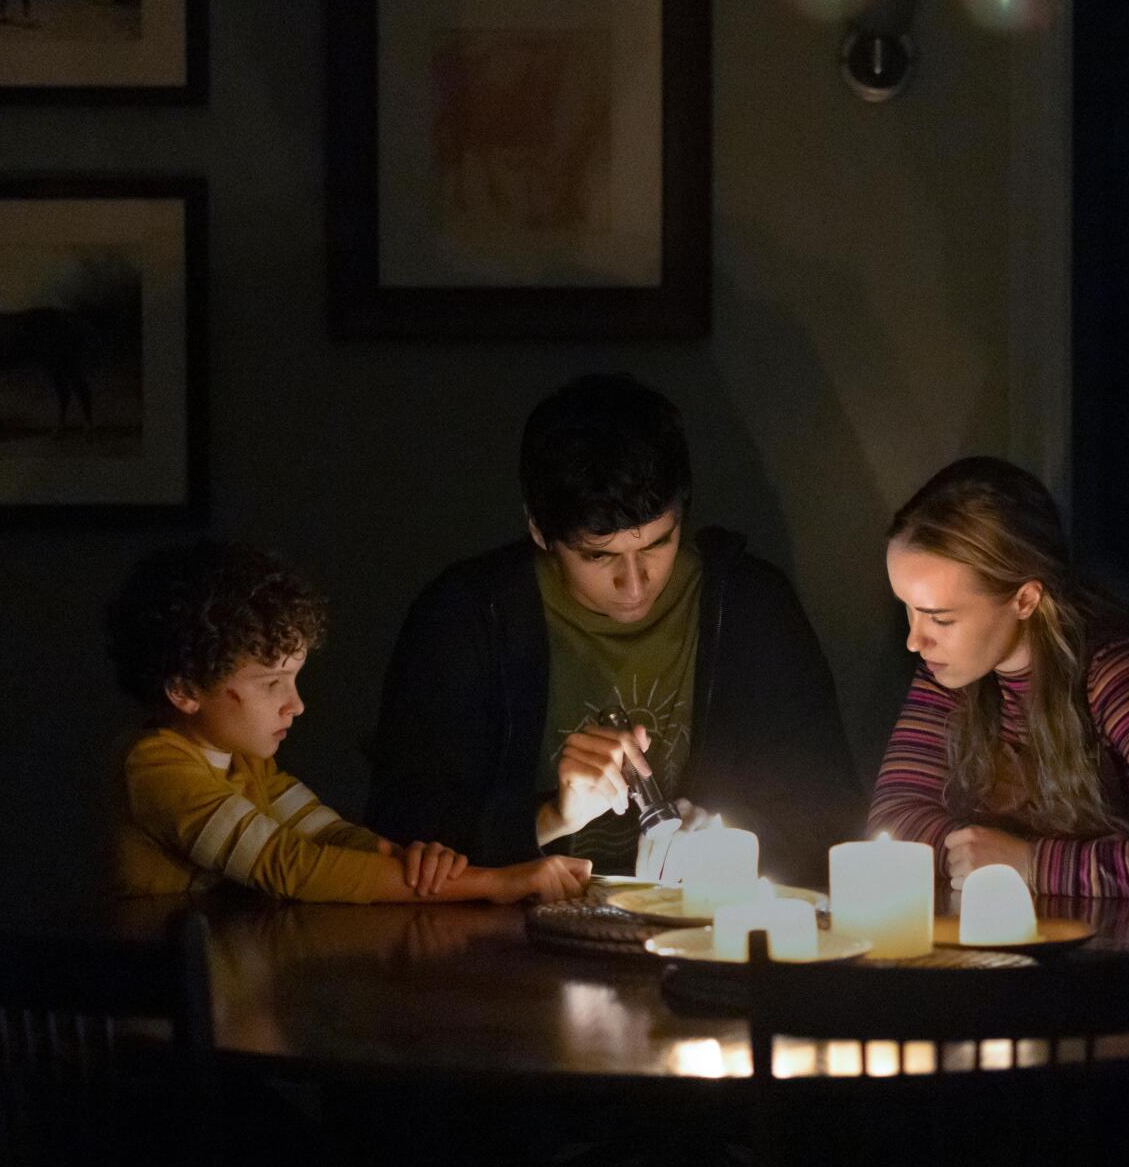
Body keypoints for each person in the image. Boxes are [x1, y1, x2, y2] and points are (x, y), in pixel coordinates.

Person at [365, 373, 860, 885]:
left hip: (706, 935)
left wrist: (734, 840)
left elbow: (829, 814)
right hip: (508, 940)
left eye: (655, 545)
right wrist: (551, 816)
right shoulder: (469, 615)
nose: (634, 584)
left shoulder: (750, 607)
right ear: (539, 530)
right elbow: (402, 828)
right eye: (598, 556)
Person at [107, 539, 591, 904]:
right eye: (271, 684)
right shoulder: (155, 768)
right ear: (186, 690)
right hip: (177, 1020)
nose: (295, 705)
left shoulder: (247, 766)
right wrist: (492, 882)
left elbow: (329, 834)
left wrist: (414, 862)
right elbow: (292, 867)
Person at [869, 456, 1129, 898]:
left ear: (1026, 599)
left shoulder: (1114, 676)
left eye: (940, 619)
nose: (915, 641)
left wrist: (1031, 863)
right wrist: (979, 854)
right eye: (908, 609)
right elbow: (893, 817)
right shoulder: (952, 671)